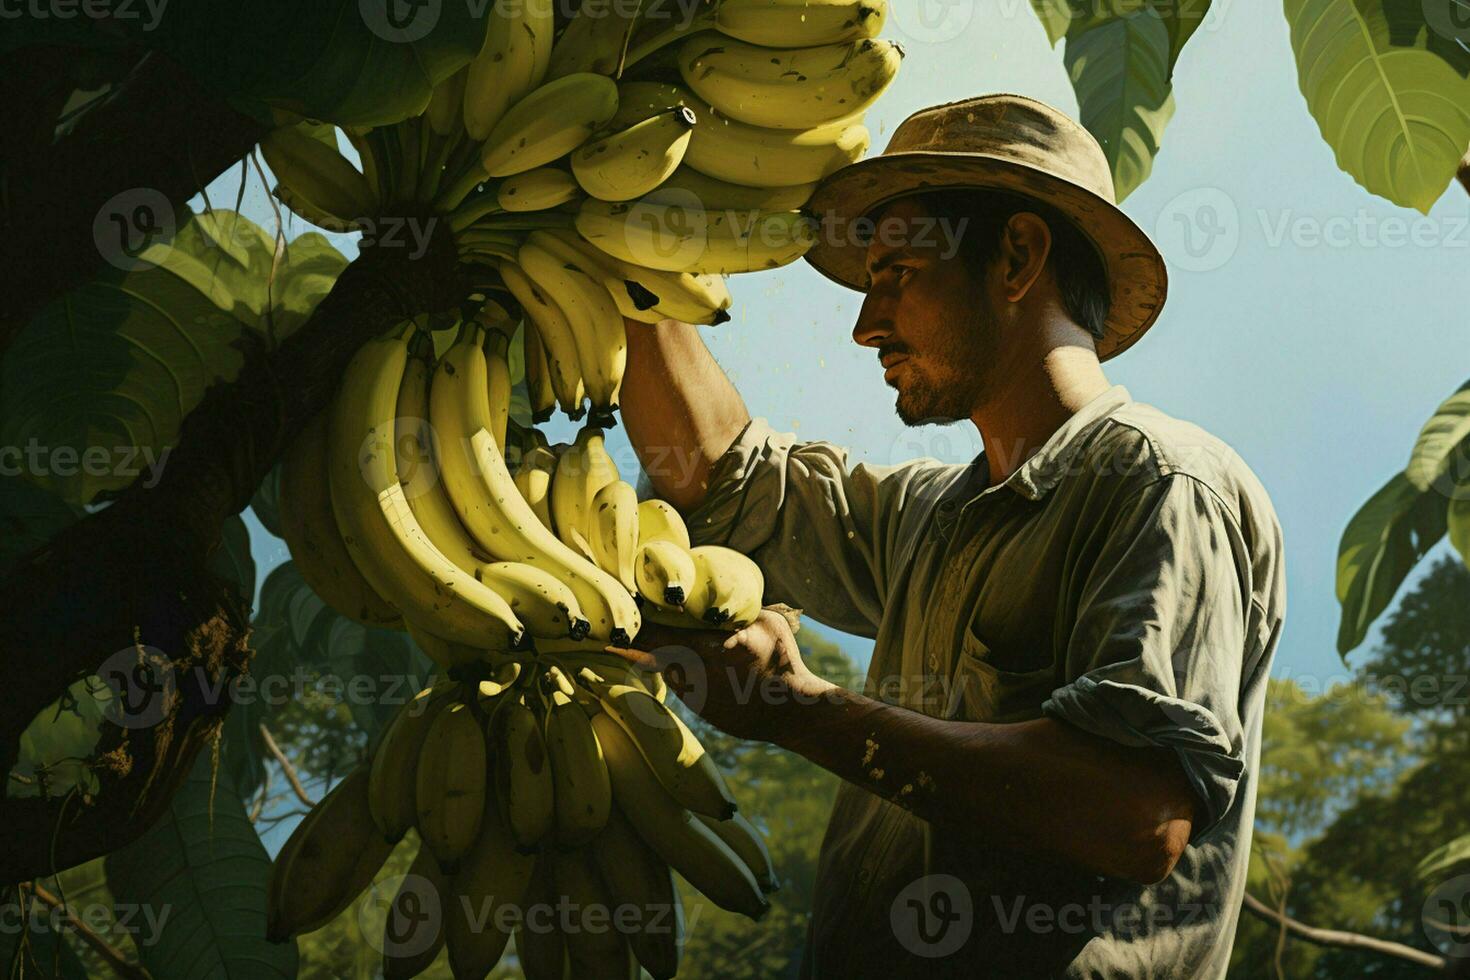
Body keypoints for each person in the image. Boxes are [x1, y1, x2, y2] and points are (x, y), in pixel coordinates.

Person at [610, 93, 1286, 979]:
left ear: (1016, 257)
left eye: (896, 273)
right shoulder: (933, 520)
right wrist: (620, 251)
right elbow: (724, 476)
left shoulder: (1160, 482)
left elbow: (1135, 813)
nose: (865, 325)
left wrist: (800, 709)